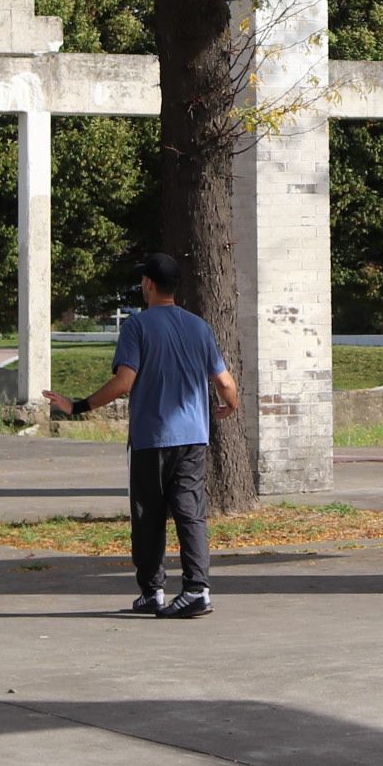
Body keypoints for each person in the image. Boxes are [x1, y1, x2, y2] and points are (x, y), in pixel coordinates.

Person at [55, 252, 239, 620]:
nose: (141, 285)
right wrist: (229, 405)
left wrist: (76, 406)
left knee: (148, 516)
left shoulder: (137, 327)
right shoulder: (199, 326)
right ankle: (196, 589)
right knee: (190, 514)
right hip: (193, 437)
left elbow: (124, 382)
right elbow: (224, 381)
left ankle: (153, 591)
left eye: (143, 280)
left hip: (151, 439)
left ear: (150, 285)